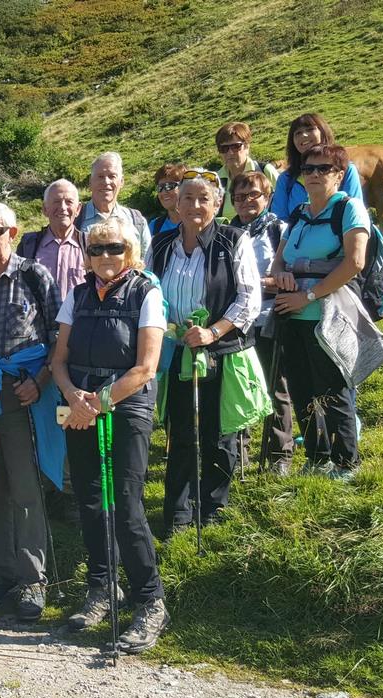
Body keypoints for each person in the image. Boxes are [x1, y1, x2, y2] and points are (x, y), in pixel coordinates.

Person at [50, 221, 170, 651]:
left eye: (113, 248)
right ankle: (101, 587)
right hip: (79, 400)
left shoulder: (146, 292)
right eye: (96, 248)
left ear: (130, 250)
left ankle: (150, 600)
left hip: (125, 403)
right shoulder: (78, 294)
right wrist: (72, 395)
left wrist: (97, 402)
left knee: (125, 502)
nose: (104, 256)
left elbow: (145, 368)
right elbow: (58, 359)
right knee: (87, 498)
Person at [0, 201, 62, 622]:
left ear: (14, 233)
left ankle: (32, 579)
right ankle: (2, 571)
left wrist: (40, 381)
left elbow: (59, 334)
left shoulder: (35, 275)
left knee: (24, 490)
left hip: (25, 395)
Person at [148, 169, 261, 533]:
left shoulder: (234, 241)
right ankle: (178, 513)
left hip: (220, 349)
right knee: (179, 432)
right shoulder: (161, 245)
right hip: (175, 349)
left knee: (218, 432)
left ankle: (213, 504)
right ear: (175, 205)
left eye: (203, 199)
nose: (195, 205)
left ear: (216, 204)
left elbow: (249, 300)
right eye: (187, 198)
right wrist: (170, 330)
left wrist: (213, 332)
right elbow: (149, 294)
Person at [270, 144, 369, 480]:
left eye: (323, 168)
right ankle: (316, 457)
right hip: (292, 318)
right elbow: (278, 260)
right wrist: (282, 274)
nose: (313, 174)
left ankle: (346, 463)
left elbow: (354, 262)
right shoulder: (298, 213)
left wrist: (308, 295)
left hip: (329, 317)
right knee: (301, 390)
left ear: (339, 175)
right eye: (308, 169)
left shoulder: (349, 209)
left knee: (334, 391)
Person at [229, 171, 294, 474]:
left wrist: (250, 284)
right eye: (239, 197)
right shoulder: (226, 233)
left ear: (267, 197)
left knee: (274, 388)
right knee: (237, 387)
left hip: (270, 318)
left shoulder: (280, 230)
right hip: (236, 323)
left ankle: (278, 455)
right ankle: (237, 455)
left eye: (253, 195)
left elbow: (288, 278)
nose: (246, 202)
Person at [270, 113, 367, 220]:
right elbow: (279, 220)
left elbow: (354, 214)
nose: (304, 135)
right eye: (298, 133)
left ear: (323, 132)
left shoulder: (346, 170)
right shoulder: (286, 179)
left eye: (310, 129)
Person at [16, 179, 86, 300]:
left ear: (78, 209)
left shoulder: (89, 245)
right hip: (39, 318)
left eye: (69, 202)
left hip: (78, 318)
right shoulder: (29, 245)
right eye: (56, 202)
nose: (63, 207)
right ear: (44, 209)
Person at [77, 152, 151, 256]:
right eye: (100, 176)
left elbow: (147, 264)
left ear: (122, 181)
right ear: (90, 182)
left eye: (112, 176)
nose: (106, 182)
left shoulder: (137, 221)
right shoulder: (75, 219)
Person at [214, 122, 280, 220]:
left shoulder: (265, 171)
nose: (230, 152)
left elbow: (285, 202)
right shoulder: (215, 180)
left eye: (235, 147)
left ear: (247, 147)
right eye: (224, 148)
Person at [148, 163, 187, 238]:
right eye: (160, 188)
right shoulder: (154, 227)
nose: (163, 192)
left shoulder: (196, 222)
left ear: (183, 187)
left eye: (169, 186)